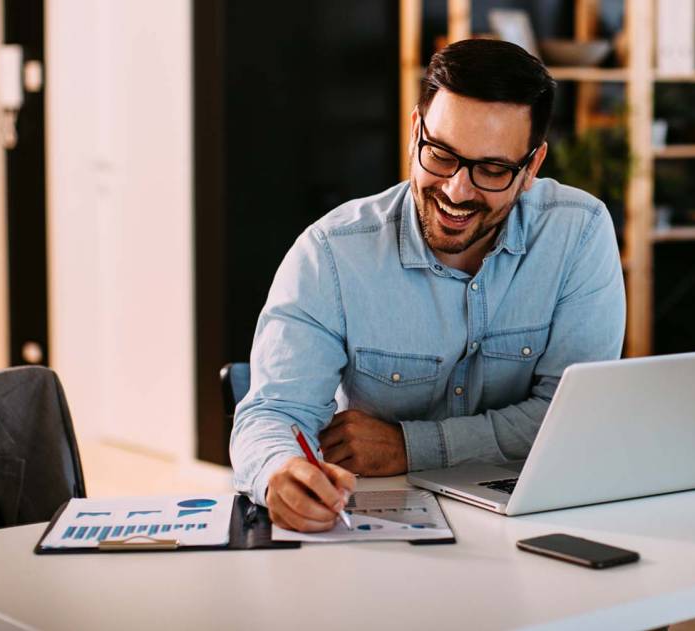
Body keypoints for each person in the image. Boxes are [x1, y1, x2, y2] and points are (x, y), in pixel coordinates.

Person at [231, 39, 626, 532]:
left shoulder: (578, 232)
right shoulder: (331, 253)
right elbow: (271, 413)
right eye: (440, 154)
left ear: (532, 167)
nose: (458, 190)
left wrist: (408, 446)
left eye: (493, 169)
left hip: (534, 520)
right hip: (380, 534)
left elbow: (568, 416)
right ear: (416, 130)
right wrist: (279, 472)